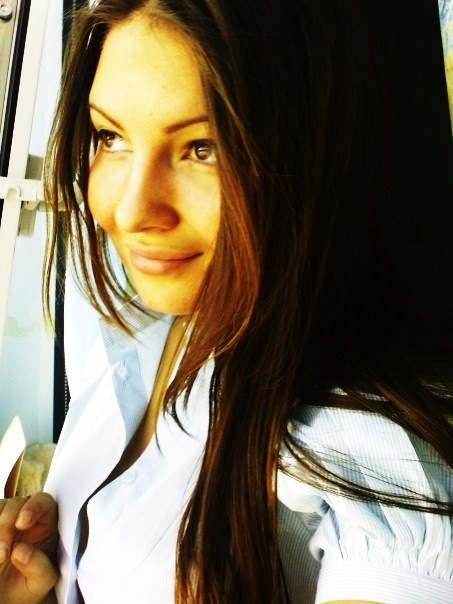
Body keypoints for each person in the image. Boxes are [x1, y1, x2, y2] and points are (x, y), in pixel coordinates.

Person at [0, 0, 452, 602]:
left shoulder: (372, 460)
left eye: (203, 148)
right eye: (111, 137)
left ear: (305, 160)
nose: (131, 211)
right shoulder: (145, 329)